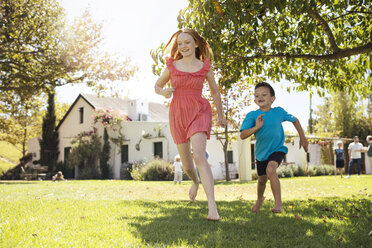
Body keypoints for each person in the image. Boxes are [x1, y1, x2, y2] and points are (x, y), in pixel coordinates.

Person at [154, 29, 226, 220]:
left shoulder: (205, 67)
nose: (183, 46)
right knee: (187, 165)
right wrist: (164, 92)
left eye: (187, 42)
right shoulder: (172, 65)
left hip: (199, 110)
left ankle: (213, 207)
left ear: (196, 44)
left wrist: (221, 115)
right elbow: (157, 86)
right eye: (180, 44)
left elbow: (215, 92)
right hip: (177, 113)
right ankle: (195, 181)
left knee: (199, 154)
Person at [240, 82, 308, 214]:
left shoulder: (279, 112)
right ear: (254, 99)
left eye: (264, 94)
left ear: (273, 98)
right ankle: (260, 199)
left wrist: (303, 137)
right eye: (257, 95)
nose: (260, 97)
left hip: (277, 149)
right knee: (261, 180)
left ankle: (278, 204)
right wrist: (256, 127)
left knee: (271, 169)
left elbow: (295, 120)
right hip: (261, 154)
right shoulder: (252, 115)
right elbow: (243, 135)